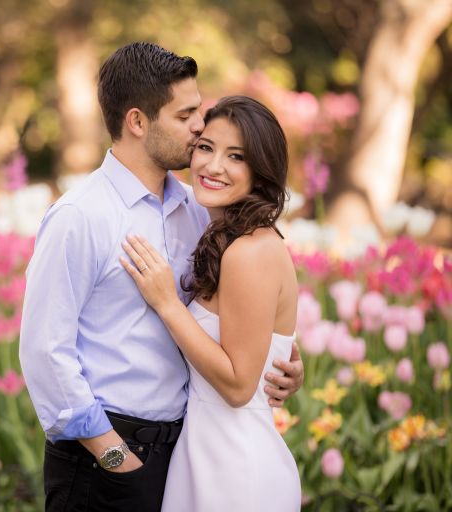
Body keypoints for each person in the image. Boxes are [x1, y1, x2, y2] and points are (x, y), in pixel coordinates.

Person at [19, 42, 304, 512]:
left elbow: (243, 316)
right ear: (137, 121)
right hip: (107, 461)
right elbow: (45, 353)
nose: (199, 127)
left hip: (183, 457)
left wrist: (283, 362)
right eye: (187, 115)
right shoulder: (81, 216)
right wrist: (114, 457)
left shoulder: (199, 211)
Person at [120, 95, 302, 510]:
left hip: (235, 469)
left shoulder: (249, 252)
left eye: (236, 156)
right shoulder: (233, 237)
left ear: (260, 172)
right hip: (205, 454)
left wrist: (168, 304)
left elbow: (239, 387)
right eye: (206, 147)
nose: (212, 166)